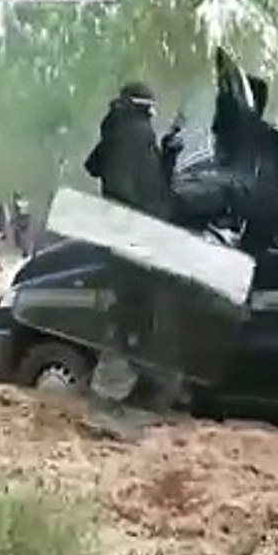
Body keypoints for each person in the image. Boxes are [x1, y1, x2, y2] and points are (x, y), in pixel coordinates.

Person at [81, 82, 184, 440]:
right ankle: (108, 409)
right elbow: (146, 192)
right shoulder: (136, 134)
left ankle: (123, 403)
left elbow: (95, 167)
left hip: (123, 238)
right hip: (135, 240)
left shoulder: (117, 130)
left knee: (131, 319)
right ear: (146, 107)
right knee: (131, 321)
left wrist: (166, 155)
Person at [11, 191, 32, 258]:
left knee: (21, 235)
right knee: (22, 235)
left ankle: (20, 246)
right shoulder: (25, 203)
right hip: (24, 219)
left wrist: (14, 221)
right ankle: (21, 246)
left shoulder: (20, 204)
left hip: (22, 219)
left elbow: (19, 214)